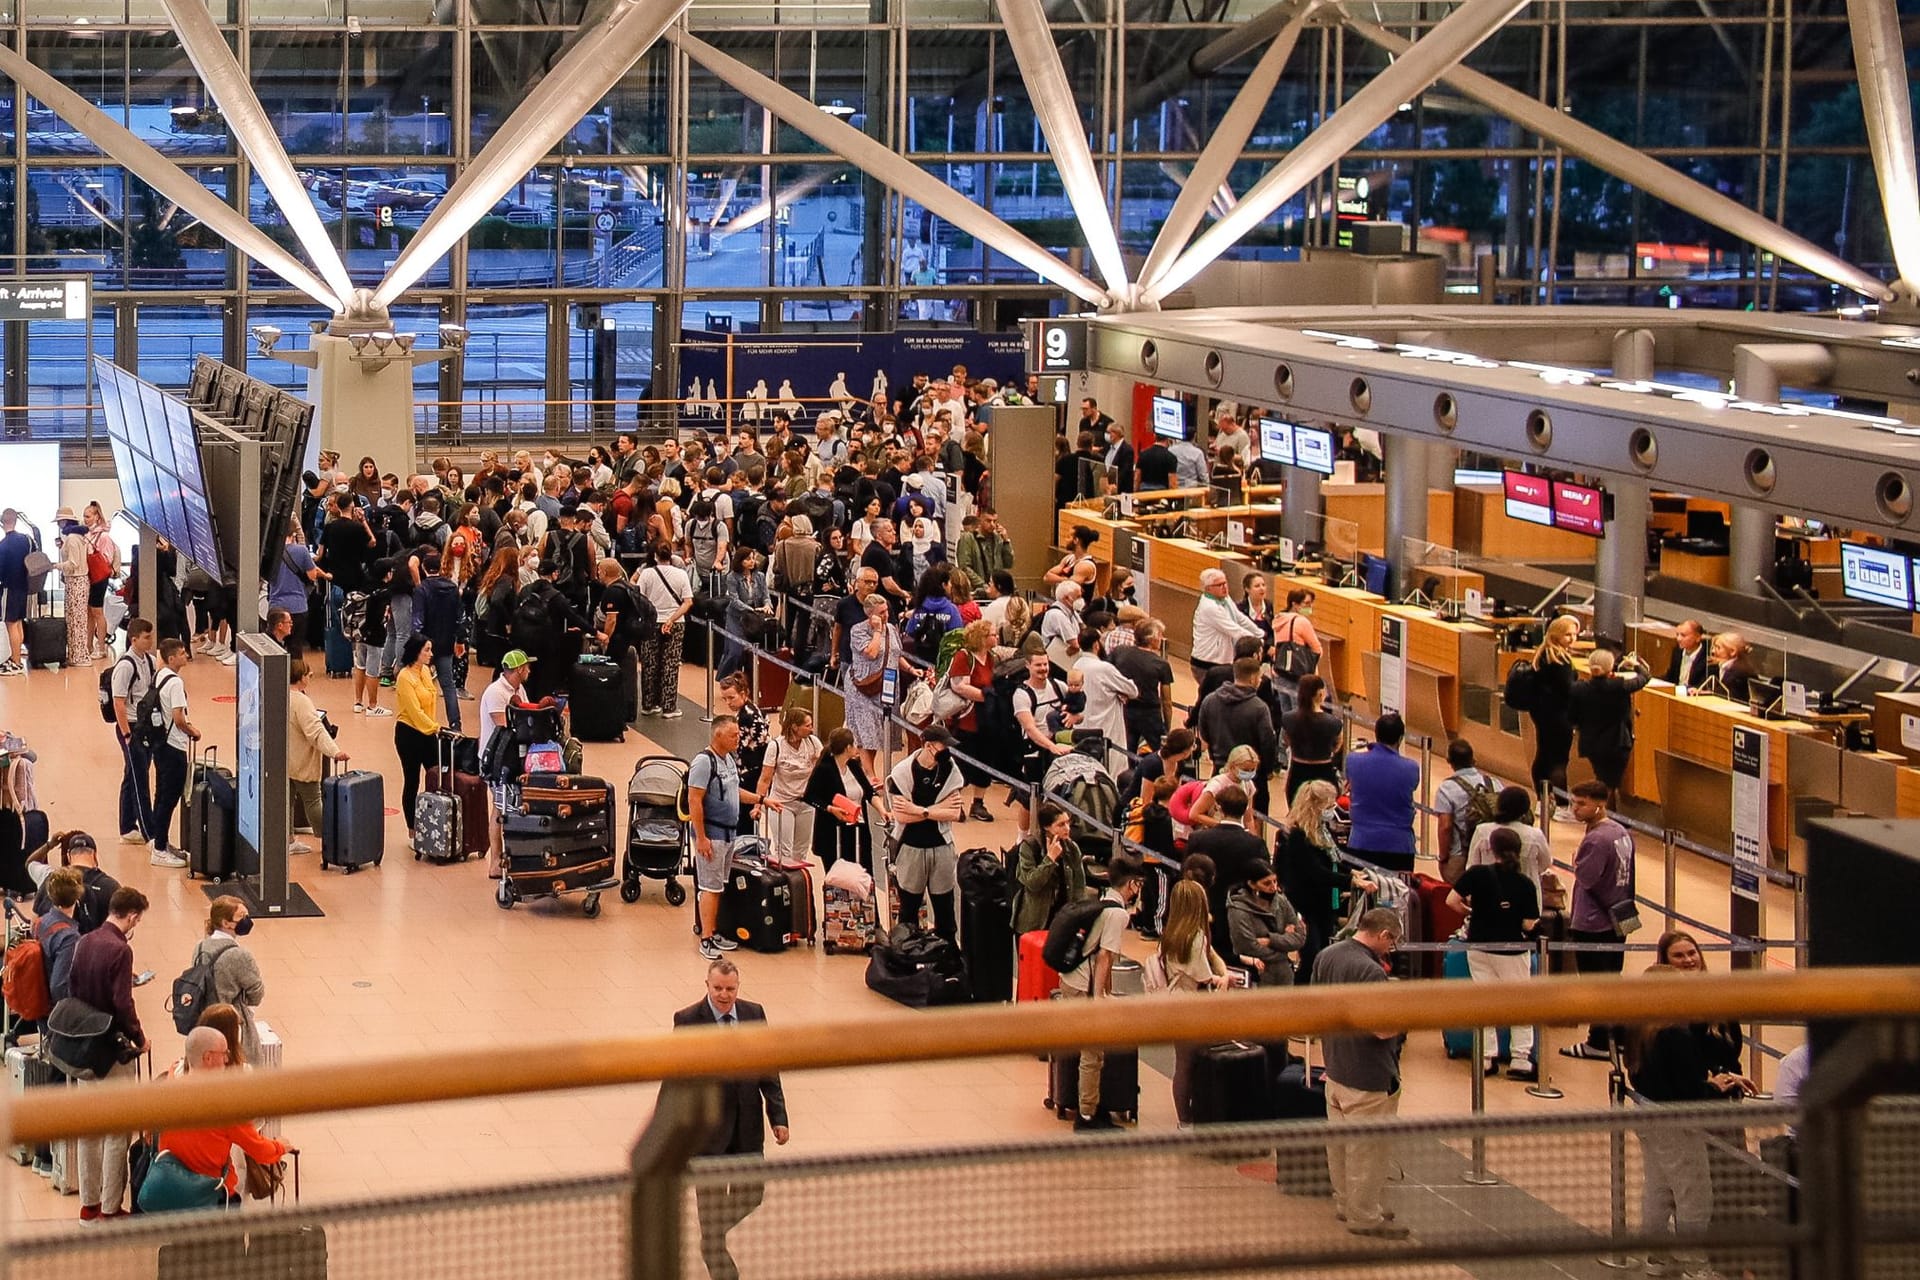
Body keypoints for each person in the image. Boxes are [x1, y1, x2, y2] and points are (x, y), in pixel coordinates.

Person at [1626, 964, 1756, 1277]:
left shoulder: (1641, 1029)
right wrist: (1714, 1086)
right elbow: (1690, 1092)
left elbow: (1659, 1079)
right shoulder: (1676, 1035)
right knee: (1695, 1194)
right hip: (1676, 1125)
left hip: (1648, 1116)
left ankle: (1655, 1258)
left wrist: (1712, 1080)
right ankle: (1696, 1266)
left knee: (1658, 1188)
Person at [671, 959, 789, 1280]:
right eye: (718, 988)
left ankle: (710, 1238)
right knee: (709, 1208)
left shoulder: (754, 1014)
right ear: (707, 985)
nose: (724, 995)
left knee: (752, 1193)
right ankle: (719, 1262)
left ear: (738, 986)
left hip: (747, 1129)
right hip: (706, 1136)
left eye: (730, 989)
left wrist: (778, 1116)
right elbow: (676, 1078)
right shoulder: (687, 1021)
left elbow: (769, 1068)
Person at [1313, 906, 1409, 1239]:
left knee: (1338, 1147)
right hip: (1368, 1076)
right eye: (1392, 942)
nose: (1391, 948)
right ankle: (1365, 1216)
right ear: (1383, 935)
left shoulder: (1326, 956)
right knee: (1368, 1152)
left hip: (1335, 1067)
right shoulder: (1370, 971)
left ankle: (1345, 1204)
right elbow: (1381, 1029)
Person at [140, 1026, 291, 1213]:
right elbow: (260, 1150)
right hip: (214, 1194)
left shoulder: (165, 1092)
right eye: (224, 1053)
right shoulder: (224, 1106)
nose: (227, 1059)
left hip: (173, 1191)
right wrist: (282, 1146)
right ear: (208, 1057)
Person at [69, 885, 150, 1220]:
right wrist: (140, 1038)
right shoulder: (120, 949)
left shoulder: (85, 940)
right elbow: (122, 1004)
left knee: (89, 1127)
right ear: (131, 915)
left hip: (82, 1047)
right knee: (117, 1131)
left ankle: (88, 1204)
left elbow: (73, 987)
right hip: (111, 1050)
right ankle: (110, 1206)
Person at [1447, 828, 1542, 1080]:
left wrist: (1471, 912)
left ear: (1491, 848)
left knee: (1484, 1002)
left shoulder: (1477, 874)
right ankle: (1521, 1059)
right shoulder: (1525, 883)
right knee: (1520, 1004)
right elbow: (1530, 923)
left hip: (1478, 946)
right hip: (1512, 950)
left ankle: (1486, 1057)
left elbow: (1451, 901)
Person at [1061, 852, 1144, 1132]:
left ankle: (1087, 1105)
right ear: (1132, 884)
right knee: (1092, 1053)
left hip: (1072, 979)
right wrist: (1100, 1000)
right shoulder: (1117, 914)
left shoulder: (1101, 901)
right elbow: (1105, 958)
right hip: (1084, 986)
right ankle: (1086, 1115)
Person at [692, 715, 782, 960]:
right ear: (718, 735)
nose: (738, 739)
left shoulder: (729, 760)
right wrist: (701, 837)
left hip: (730, 833)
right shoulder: (703, 762)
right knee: (709, 887)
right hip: (712, 833)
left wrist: (762, 800)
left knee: (719, 885)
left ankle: (715, 930)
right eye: (733, 735)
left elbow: (734, 791)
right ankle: (706, 939)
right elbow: (694, 800)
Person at [1560, 780, 1636, 1060]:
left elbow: (1589, 878)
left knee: (1594, 983)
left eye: (1581, 804)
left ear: (1599, 804)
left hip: (1593, 921)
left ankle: (1599, 1041)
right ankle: (1619, 1035)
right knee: (1612, 980)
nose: (1575, 809)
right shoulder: (1622, 833)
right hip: (1621, 915)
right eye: (1573, 803)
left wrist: (1577, 863)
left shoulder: (1596, 840)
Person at [1279, 780, 1374, 985]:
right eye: (1329, 805)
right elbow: (1315, 872)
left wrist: (1352, 872)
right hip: (1305, 904)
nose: (1333, 809)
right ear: (1315, 806)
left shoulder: (1322, 830)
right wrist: (1350, 881)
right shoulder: (1297, 836)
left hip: (1324, 904)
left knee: (1324, 950)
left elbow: (1332, 861)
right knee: (1312, 955)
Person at [1157, 877, 1229, 1123]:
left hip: (1175, 1005)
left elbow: (1209, 957)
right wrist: (1225, 980)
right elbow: (1204, 975)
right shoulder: (1195, 936)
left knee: (1183, 1065)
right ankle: (1189, 1118)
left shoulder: (1172, 932)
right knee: (1191, 1066)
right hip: (1191, 1008)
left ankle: (1184, 1119)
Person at [886, 726, 965, 941]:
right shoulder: (902, 772)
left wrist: (920, 810)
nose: (947, 750)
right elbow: (901, 816)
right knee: (909, 911)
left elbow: (955, 812)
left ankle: (946, 958)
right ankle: (905, 961)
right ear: (928, 746)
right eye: (943, 746)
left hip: (941, 845)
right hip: (910, 847)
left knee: (945, 909)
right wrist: (938, 809)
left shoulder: (950, 769)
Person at [1185, 783, 1268, 958]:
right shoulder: (1255, 843)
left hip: (1205, 909)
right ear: (1245, 809)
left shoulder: (1198, 839)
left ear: (1218, 807)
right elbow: (1265, 878)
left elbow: (1185, 875)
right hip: (1242, 913)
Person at [477, 650, 535, 876]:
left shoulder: (519, 689)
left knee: (507, 805)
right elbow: (506, 728)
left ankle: (510, 856)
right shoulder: (496, 693)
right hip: (495, 760)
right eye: (527, 667)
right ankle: (495, 861)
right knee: (500, 806)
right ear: (519, 669)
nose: (529, 670)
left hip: (513, 756)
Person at [1195, 655, 1279, 811]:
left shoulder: (1210, 700)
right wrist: (1267, 769)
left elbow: (1204, 734)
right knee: (1255, 818)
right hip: (1253, 774)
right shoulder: (1259, 708)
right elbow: (1268, 742)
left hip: (1219, 769)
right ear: (1253, 678)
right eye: (1260, 677)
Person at [190, 895, 267, 1063]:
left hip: (204, 1019)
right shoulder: (239, 955)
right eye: (241, 917)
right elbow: (257, 994)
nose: (247, 920)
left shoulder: (200, 947)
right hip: (232, 1024)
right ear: (226, 923)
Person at [1570, 648, 1650, 804]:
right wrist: (1635, 665)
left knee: (1603, 780)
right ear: (1610, 668)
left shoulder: (1579, 689)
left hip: (1591, 742)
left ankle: (1606, 816)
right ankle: (1604, 817)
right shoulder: (1618, 686)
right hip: (1617, 742)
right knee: (1610, 785)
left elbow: (1572, 716)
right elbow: (1644, 677)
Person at [144, 638, 197, 869]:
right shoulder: (175, 682)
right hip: (174, 746)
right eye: (183, 653)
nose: (186, 656)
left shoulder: (159, 676)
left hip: (159, 744)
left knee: (160, 794)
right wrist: (192, 730)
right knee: (170, 798)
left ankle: (160, 840)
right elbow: (178, 717)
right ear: (172, 657)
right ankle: (159, 850)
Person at [287, 659, 348, 854]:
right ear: (301, 678)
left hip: (283, 760)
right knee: (313, 801)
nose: (310, 677)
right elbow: (316, 732)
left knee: (286, 801)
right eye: (308, 674)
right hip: (301, 760)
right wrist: (335, 751)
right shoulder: (302, 701)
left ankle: (288, 840)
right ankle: (331, 839)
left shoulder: (279, 694)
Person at [1345, 713, 1419, 874]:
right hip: (1399, 845)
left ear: (1376, 734)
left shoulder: (1353, 760)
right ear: (1400, 738)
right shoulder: (1411, 768)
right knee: (1399, 895)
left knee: (1360, 894)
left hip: (1361, 842)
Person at [1011, 648, 1073, 838]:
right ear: (1028, 665)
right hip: (1034, 752)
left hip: (1059, 750)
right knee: (1029, 798)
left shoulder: (1059, 686)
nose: (1043, 669)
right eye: (1038, 665)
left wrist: (1074, 716)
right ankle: (1022, 838)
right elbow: (1030, 728)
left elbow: (1078, 711)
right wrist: (1051, 746)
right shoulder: (1021, 694)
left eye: (1045, 664)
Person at [109, 618, 160, 848]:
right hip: (130, 728)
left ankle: (127, 826)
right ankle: (150, 832)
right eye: (146, 637)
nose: (150, 641)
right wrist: (127, 735)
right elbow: (119, 703)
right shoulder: (125, 666)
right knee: (140, 779)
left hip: (145, 726)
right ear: (134, 639)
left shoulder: (149, 661)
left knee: (132, 775)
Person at [1524, 615, 1581, 820]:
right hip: (1559, 716)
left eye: (1575, 634)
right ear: (1557, 634)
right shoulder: (1561, 660)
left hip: (1541, 713)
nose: (1572, 639)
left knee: (1543, 755)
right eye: (1568, 634)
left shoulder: (1542, 654)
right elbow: (1570, 690)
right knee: (1558, 761)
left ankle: (1541, 801)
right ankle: (1563, 806)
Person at [942, 619, 998, 823]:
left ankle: (978, 802)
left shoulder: (993, 658)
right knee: (962, 764)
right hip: (966, 720)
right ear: (982, 637)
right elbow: (959, 686)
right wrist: (987, 696)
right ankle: (954, 802)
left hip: (987, 720)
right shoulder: (963, 657)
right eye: (993, 634)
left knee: (985, 760)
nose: (996, 637)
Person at [393, 634, 445, 851]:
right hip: (409, 733)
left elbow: (430, 702)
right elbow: (414, 711)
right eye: (426, 650)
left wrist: (434, 728)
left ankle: (435, 824)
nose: (430, 654)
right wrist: (436, 727)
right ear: (416, 651)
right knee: (412, 780)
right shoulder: (404, 677)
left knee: (436, 777)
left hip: (428, 732)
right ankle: (412, 830)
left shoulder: (425, 672)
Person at [802, 726, 876, 874]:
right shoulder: (825, 768)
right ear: (848, 747)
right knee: (838, 877)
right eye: (854, 744)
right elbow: (809, 796)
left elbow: (868, 791)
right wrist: (830, 808)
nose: (857, 748)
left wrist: (883, 810)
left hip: (858, 830)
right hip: (833, 833)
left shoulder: (854, 765)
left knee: (863, 873)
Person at [633, 542, 694, 718]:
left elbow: (640, 598)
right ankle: (669, 706)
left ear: (654, 556)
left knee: (649, 663)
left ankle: (648, 704)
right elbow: (688, 601)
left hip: (651, 623)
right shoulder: (681, 574)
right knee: (670, 664)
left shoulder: (646, 573)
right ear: (671, 555)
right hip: (676, 623)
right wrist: (671, 619)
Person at [756, 706, 821, 865]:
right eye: (807, 725)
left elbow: (823, 766)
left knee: (801, 850)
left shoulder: (813, 743)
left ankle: (799, 885)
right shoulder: (776, 746)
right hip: (782, 804)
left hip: (806, 804)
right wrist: (758, 804)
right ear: (794, 727)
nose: (811, 729)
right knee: (784, 851)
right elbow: (765, 778)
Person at [1011, 801, 1087, 935]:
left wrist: (1079, 917)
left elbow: (1079, 886)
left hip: (1062, 920)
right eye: (1061, 825)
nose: (1067, 828)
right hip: (1034, 922)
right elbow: (1032, 883)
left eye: (1068, 823)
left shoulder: (1072, 848)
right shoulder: (1029, 847)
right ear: (1046, 827)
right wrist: (1050, 859)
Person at [1464, 785, 1555, 896]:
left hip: (1488, 895)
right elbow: (1545, 864)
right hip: (1525, 897)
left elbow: (1472, 865)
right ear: (1525, 810)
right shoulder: (1535, 835)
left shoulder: (1482, 831)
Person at [1228, 859, 1306, 987]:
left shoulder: (1281, 901)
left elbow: (1300, 937)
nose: (1273, 887)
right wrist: (1284, 945)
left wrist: (1271, 940)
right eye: (1267, 883)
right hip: (1258, 976)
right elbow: (1247, 946)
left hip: (1285, 976)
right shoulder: (1238, 910)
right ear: (1252, 884)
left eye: (1275, 881)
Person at [412, 550, 465, 731]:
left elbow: (417, 620)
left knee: (420, 684)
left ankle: (422, 721)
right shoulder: (452, 588)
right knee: (448, 685)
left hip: (425, 646)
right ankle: (455, 723)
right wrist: (460, 640)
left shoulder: (421, 590)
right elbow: (460, 617)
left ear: (424, 568)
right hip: (446, 642)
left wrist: (415, 645)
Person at [1432, 738, 1498, 881]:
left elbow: (1445, 827)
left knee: (1457, 899)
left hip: (1461, 855)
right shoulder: (1494, 783)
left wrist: (1443, 858)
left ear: (1449, 761)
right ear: (1473, 760)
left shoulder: (1447, 788)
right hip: (1493, 853)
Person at [30, 831, 120, 934]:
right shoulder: (111, 887)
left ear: (69, 856)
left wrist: (50, 844)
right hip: (95, 948)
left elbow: (34, 925)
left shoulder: (51, 880)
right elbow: (122, 930)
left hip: (50, 947)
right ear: (94, 855)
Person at [1189, 567, 1264, 686]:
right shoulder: (1209, 607)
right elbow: (1234, 629)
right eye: (1219, 585)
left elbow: (1239, 617)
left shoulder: (1225, 598)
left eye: (1225, 583)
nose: (1224, 587)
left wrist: (1260, 633)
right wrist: (1257, 641)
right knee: (1211, 698)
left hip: (1222, 661)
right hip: (1207, 663)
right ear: (1208, 589)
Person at [1109, 619, 1175, 752]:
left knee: (1127, 750)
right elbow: (1166, 701)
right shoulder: (1160, 664)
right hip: (1149, 713)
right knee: (1163, 752)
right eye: (1160, 635)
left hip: (1124, 708)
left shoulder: (1119, 651)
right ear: (1153, 638)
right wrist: (1167, 728)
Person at [1281, 673, 1344, 804]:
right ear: (1321, 694)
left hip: (1297, 771)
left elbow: (1286, 741)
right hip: (1324, 771)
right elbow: (1338, 745)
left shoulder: (1288, 719)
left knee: (1297, 814)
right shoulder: (1334, 722)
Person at [266, 521, 322, 657]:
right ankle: (295, 676)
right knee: (295, 647)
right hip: (298, 606)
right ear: (294, 534)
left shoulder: (270, 552)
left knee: (273, 646)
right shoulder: (301, 551)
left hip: (276, 605)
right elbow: (312, 576)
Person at [54, 507, 92, 667]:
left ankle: (78, 655)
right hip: (80, 581)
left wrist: (57, 566)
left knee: (75, 620)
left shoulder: (72, 538)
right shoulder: (79, 536)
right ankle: (77, 654)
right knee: (78, 619)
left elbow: (73, 563)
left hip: (75, 581)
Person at [82, 503, 118, 660]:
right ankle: (88, 645)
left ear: (97, 516)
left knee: (97, 612)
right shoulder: (87, 535)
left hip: (99, 577)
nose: (85, 519)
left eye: (88, 516)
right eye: (84, 516)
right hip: (90, 576)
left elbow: (107, 558)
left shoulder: (103, 536)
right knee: (90, 612)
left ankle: (101, 646)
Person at [0, 508, 32, 674]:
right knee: (19, 621)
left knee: (10, 623)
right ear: (16, 520)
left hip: (9, 588)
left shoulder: (3, 546)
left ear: (2, 522)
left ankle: (16, 662)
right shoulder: (26, 540)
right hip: (24, 586)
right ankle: (17, 656)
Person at [953, 508, 1013, 590]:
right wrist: (983, 585)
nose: (992, 524)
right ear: (980, 521)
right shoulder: (968, 538)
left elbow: (1008, 563)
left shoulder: (998, 539)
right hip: (977, 590)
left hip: (996, 589)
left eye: (995, 521)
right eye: (988, 521)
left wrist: (1006, 541)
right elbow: (964, 567)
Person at [1273, 587, 1324, 681]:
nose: (1310, 607)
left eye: (1311, 603)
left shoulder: (1278, 619)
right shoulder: (1302, 622)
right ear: (1295, 604)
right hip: (1298, 674)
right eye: (1307, 603)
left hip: (1280, 671)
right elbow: (1318, 650)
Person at [1708, 631, 1758, 704]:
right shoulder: (1717, 667)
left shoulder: (1740, 674)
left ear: (1732, 651)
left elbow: (1725, 697)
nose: (1713, 651)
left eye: (1718, 648)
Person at [1663, 619, 1710, 690]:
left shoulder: (1707, 656)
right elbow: (1671, 676)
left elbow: (1705, 685)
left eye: (1683, 635)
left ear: (1697, 638)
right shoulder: (1677, 651)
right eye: (1677, 635)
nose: (1678, 639)